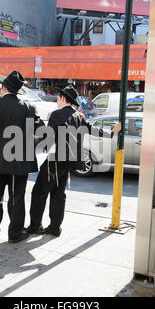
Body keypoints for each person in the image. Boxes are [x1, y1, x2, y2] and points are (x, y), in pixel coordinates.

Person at [26, 85, 121, 237]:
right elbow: (93, 130)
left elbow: (48, 137)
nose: (57, 100)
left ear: (63, 98)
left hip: (55, 160)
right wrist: (112, 132)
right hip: (71, 162)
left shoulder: (57, 114)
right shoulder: (80, 116)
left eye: (58, 97)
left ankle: (35, 226)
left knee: (39, 193)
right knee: (58, 194)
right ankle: (55, 228)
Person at [0, 71, 44, 243]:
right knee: (17, 199)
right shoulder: (29, 108)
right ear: (18, 90)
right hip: (19, 162)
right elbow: (43, 133)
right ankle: (14, 234)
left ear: (4, 88)